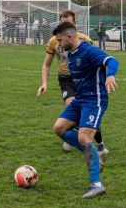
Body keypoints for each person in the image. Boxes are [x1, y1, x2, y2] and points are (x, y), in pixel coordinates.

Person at [50, 21, 119, 198]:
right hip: (80, 100)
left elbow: (112, 61)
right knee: (59, 128)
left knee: (83, 137)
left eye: (60, 40)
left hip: (94, 100)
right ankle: (94, 155)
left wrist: (110, 75)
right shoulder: (70, 54)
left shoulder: (89, 51)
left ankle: (96, 185)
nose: (58, 44)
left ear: (69, 36)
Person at [37, 9, 109, 160]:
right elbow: (46, 64)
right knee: (72, 109)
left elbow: (96, 61)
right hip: (66, 80)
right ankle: (81, 142)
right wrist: (44, 83)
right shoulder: (54, 41)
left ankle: (99, 143)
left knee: (87, 114)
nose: (64, 25)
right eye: (62, 22)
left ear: (74, 23)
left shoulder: (84, 40)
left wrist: (105, 79)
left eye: (67, 23)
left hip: (85, 80)